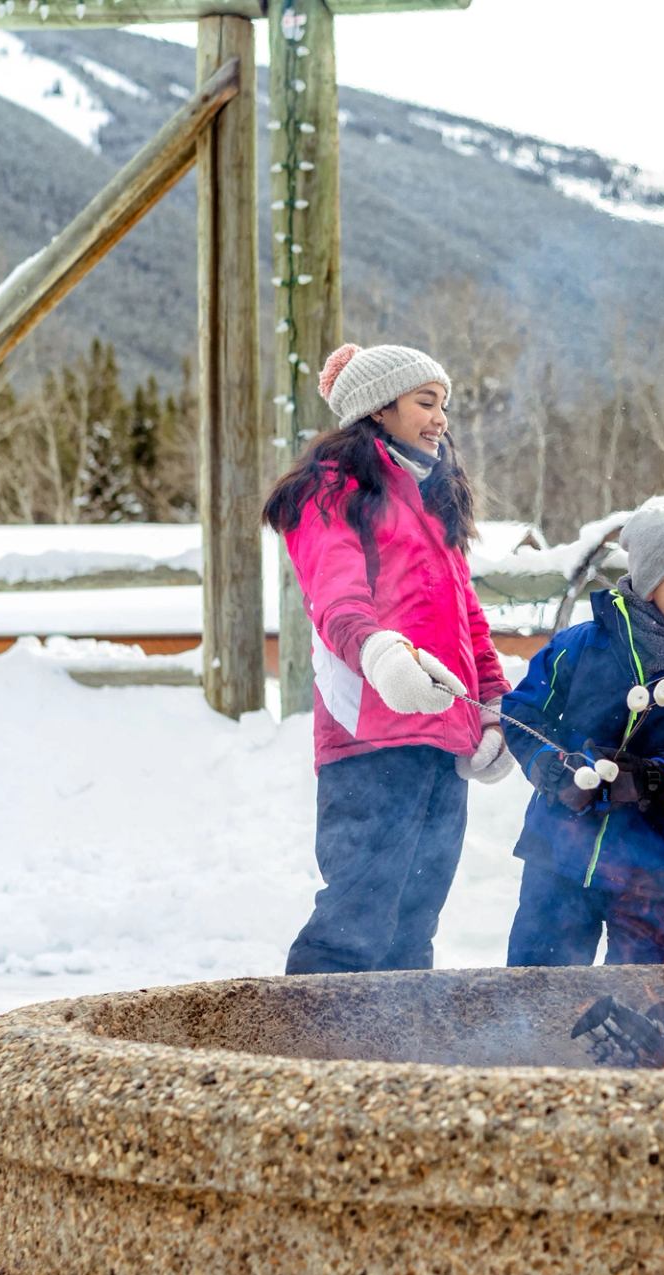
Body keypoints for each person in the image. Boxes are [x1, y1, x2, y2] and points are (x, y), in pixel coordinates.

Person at [264, 342, 512, 975]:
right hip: (370, 741)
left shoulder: (433, 501)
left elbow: (468, 623)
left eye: (443, 405)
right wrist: (381, 654)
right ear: (379, 409)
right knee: (356, 922)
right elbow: (337, 601)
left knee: (413, 925)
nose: (440, 419)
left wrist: (492, 710)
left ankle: (395, 1061)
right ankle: (306, 1062)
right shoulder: (333, 492)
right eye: (426, 403)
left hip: (442, 741)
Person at [501, 505, 664, 966]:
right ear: (650, 583)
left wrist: (662, 779)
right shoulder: (582, 646)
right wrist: (548, 765)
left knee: (643, 999)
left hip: (656, 870)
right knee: (540, 983)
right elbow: (522, 712)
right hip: (560, 853)